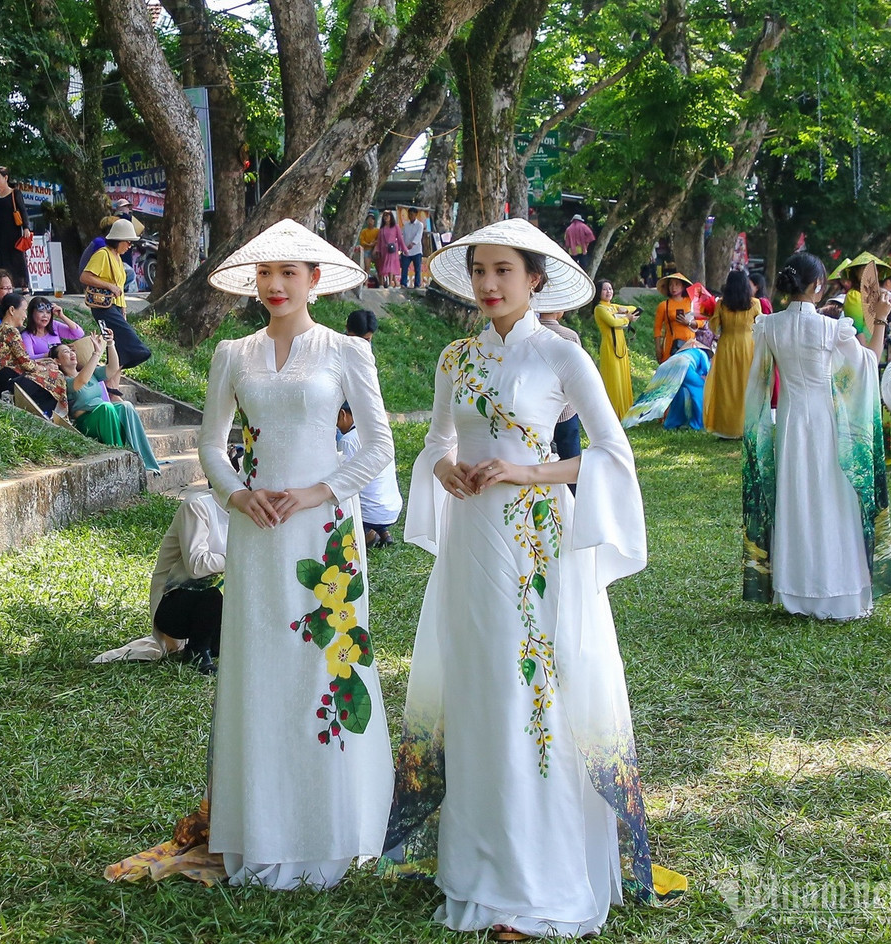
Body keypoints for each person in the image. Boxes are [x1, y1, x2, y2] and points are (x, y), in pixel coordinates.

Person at [386, 218, 682, 939]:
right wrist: (447, 469)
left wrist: (527, 472)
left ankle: (538, 873)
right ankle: (474, 863)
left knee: (532, 691)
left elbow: (610, 452)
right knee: (477, 682)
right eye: (479, 271)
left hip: (537, 545)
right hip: (471, 540)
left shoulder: (560, 353)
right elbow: (435, 443)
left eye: (503, 271)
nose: (488, 284)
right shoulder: (455, 357)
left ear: (535, 280)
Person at [193, 217, 394, 889]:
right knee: (260, 667)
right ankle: (262, 827)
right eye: (265, 273)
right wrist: (237, 495)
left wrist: (315, 493)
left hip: (324, 532)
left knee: (323, 665)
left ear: (315, 279)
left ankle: (332, 830)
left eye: (288, 272)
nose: (275, 284)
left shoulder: (346, 351)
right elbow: (211, 444)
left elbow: (378, 446)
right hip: (256, 531)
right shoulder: (232, 354)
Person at [742, 251, 891, 620]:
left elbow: (758, 383)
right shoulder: (831, 328)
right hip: (826, 422)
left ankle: (795, 589)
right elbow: (868, 363)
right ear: (817, 285)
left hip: (790, 422)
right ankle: (836, 591)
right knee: (831, 499)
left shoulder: (769, 326)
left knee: (796, 497)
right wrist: (881, 320)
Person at [92, 487, 229, 668]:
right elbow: (196, 566)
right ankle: (197, 652)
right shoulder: (198, 505)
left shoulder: (248, 517)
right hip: (172, 604)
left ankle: (210, 643)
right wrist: (238, 558)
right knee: (212, 595)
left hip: (214, 605)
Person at [53, 334, 161, 473]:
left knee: (126, 406)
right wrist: (96, 353)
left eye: (72, 350)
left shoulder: (91, 373)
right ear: (57, 361)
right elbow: (81, 381)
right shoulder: (64, 381)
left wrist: (110, 344)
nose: (71, 353)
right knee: (106, 407)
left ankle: (141, 457)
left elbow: (112, 368)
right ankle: (121, 459)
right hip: (86, 421)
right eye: (66, 352)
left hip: (105, 414)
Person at [80, 219, 152, 368]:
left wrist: (123, 309)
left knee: (117, 352)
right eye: (128, 242)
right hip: (103, 307)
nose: (129, 246)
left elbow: (119, 286)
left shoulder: (117, 257)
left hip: (117, 307)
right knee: (132, 343)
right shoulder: (102, 254)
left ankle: (113, 381)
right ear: (118, 240)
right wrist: (109, 286)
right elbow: (85, 277)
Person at [0, 292, 68, 417]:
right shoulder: (11, 330)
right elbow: (26, 363)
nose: (25, 315)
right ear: (12, 310)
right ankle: (54, 416)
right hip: (7, 383)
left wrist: (43, 364)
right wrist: (44, 368)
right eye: (24, 311)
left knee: (48, 368)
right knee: (56, 374)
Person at [702, 269, 761, 438]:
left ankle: (726, 428)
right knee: (745, 386)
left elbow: (715, 327)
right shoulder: (755, 303)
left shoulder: (722, 304)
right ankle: (745, 427)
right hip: (747, 346)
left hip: (726, 345)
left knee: (726, 387)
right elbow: (760, 325)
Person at [335, 402, 402, 546]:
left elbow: (344, 482)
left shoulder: (348, 440)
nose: (337, 427)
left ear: (342, 414)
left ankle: (367, 533)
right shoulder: (380, 433)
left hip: (371, 514)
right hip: (392, 509)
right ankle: (384, 532)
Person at [537, 309, 585, 465]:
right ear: (559, 310)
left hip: (536, 408)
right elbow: (577, 373)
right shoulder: (569, 336)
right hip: (565, 409)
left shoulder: (528, 334)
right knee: (570, 456)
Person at [592, 279, 639, 419]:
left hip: (621, 347)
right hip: (609, 347)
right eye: (605, 289)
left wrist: (624, 310)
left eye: (610, 289)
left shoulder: (613, 307)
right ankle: (613, 414)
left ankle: (625, 412)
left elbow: (633, 307)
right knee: (614, 379)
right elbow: (613, 322)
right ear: (599, 292)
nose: (608, 292)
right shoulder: (600, 309)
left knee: (623, 378)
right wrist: (627, 318)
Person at [0, 166, 32, 288]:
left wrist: (26, 227)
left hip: (13, 232)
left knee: (17, 259)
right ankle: (5, 286)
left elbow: (23, 210)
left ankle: (23, 285)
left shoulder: (15, 193)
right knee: (1, 260)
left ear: (6, 178)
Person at [21, 295, 85, 360]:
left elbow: (79, 334)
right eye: (41, 311)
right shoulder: (26, 335)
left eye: (48, 312)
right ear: (31, 313)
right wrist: (53, 353)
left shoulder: (54, 325)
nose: (45, 315)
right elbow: (29, 357)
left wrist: (62, 316)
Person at [653, 272, 695, 362]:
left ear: (683, 286)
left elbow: (701, 321)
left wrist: (689, 323)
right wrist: (658, 348)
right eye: (671, 284)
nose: (673, 287)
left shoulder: (691, 302)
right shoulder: (664, 305)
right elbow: (657, 328)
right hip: (671, 344)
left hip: (689, 343)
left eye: (677, 284)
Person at [376, 210, 405, 288]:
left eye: (387, 215)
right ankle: (384, 283)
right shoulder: (382, 229)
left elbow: (400, 239)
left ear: (391, 217)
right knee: (384, 266)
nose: (386, 217)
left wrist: (404, 249)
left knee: (391, 266)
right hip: (384, 250)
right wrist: (378, 250)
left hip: (392, 250)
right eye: (384, 216)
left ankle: (390, 284)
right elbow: (379, 241)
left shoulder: (395, 227)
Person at [400, 210, 425, 289]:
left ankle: (417, 284)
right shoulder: (406, 225)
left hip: (416, 251)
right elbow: (402, 235)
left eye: (412, 214)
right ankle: (403, 283)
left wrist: (413, 243)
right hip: (406, 251)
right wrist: (402, 247)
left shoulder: (419, 225)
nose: (410, 216)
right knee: (404, 267)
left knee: (417, 268)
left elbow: (418, 235)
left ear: (416, 214)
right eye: (409, 214)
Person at [358, 212, 379, 277]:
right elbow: (362, 241)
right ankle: (366, 281)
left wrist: (374, 244)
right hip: (367, 250)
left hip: (375, 250)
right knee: (367, 267)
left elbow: (379, 239)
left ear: (374, 221)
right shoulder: (364, 231)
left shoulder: (377, 231)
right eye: (369, 220)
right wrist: (368, 245)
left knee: (379, 268)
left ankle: (381, 281)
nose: (370, 221)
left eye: (372, 220)